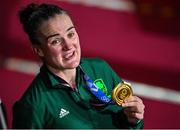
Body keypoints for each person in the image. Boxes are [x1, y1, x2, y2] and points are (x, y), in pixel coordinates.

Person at [12, 3, 145, 129]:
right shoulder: (33, 104)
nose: (69, 46)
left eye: (71, 34)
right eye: (56, 41)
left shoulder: (100, 68)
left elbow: (129, 123)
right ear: (38, 50)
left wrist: (134, 120)